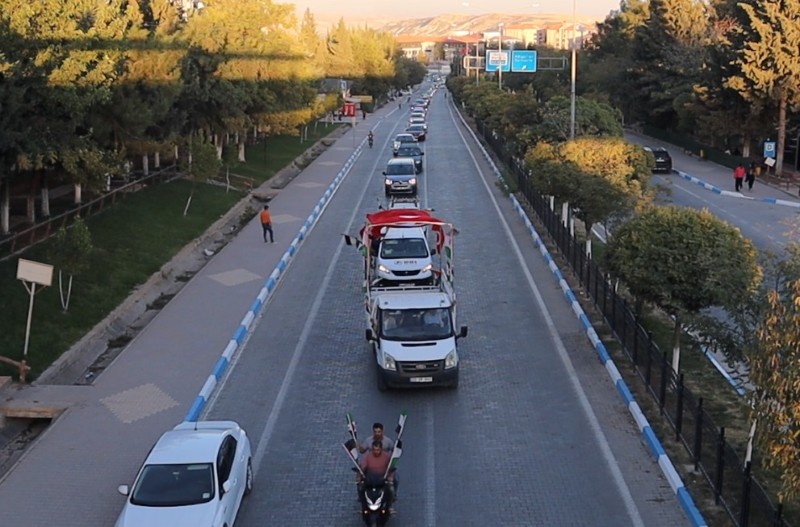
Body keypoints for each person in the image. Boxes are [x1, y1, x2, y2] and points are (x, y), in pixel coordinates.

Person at [357, 440, 396, 512]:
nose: (376, 451)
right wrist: (359, 475)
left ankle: (389, 506)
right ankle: (363, 505)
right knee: (361, 489)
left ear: (381, 449)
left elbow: (391, 468)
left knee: (391, 490)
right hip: (370, 480)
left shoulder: (386, 457)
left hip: (383, 480)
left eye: (377, 450)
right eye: (374, 450)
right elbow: (363, 467)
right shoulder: (368, 457)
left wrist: (390, 477)